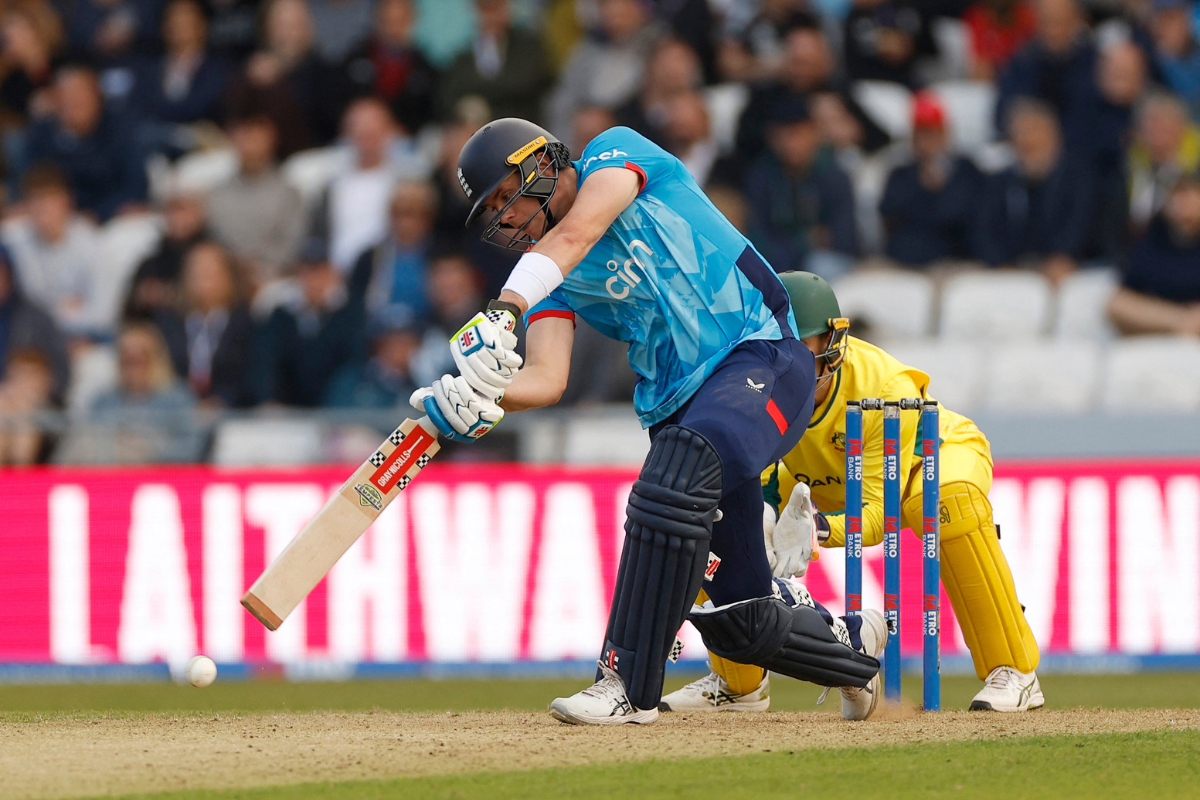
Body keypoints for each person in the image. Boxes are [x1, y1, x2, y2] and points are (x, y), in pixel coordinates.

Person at [413, 118, 886, 725]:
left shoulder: (615, 153)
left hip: (760, 353)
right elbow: (547, 378)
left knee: (673, 474)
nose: (505, 215)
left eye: (507, 193)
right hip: (681, 410)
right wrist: (477, 393)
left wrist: (504, 309)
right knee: (742, 623)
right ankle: (854, 649)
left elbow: (582, 229)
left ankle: (624, 685)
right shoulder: (548, 273)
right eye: (494, 209)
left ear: (541, 161)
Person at [661, 272, 1045, 715]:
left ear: (832, 344)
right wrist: (760, 518)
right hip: (824, 477)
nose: (785, 363)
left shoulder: (884, 389)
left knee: (942, 502)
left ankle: (1014, 671)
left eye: (799, 347)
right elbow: (758, 479)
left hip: (930, 455)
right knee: (716, 516)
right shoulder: (754, 381)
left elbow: (878, 516)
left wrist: (817, 530)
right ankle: (738, 685)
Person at [974, 99, 1094, 284]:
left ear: (1055, 137)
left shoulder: (1078, 179)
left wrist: (1064, 256)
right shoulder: (1001, 181)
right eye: (1020, 134)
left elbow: (1080, 225)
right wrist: (1000, 263)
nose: (1027, 140)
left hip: (1063, 266)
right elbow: (984, 230)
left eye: (1034, 132)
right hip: (1011, 268)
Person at [743, 96, 858, 279]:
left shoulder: (834, 176)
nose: (791, 144)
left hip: (825, 266)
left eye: (798, 134)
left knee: (821, 266)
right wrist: (805, 241)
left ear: (814, 132)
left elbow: (844, 238)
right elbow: (757, 235)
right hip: (776, 263)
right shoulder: (762, 176)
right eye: (783, 135)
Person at [20, 65, 148, 220]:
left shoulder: (120, 130)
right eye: (68, 95)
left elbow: (135, 186)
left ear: (97, 97)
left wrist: (98, 214)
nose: (75, 101)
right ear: (55, 100)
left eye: (81, 94)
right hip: (55, 220)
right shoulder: (42, 133)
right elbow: (29, 179)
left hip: (110, 218)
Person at [254, 239, 366, 406]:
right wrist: (269, 399)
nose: (314, 280)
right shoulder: (282, 316)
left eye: (320, 272)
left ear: (331, 273)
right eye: (308, 272)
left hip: (337, 411)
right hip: (288, 412)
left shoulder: (350, 313)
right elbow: (265, 361)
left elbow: (353, 364)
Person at [879, 92, 985, 266]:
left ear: (945, 133)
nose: (927, 141)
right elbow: (890, 216)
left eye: (933, 133)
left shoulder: (968, 170)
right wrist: (921, 186)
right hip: (907, 263)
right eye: (921, 134)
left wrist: (941, 189)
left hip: (957, 262)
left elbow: (969, 216)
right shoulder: (900, 174)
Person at [206, 112, 306, 288]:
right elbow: (212, 239)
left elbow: (292, 244)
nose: (250, 147)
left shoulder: (288, 193)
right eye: (244, 139)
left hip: (273, 278)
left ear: (271, 142)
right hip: (225, 278)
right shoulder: (216, 193)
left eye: (256, 140)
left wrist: (261, 270)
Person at [2, 164, 102, 337]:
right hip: (28, 332)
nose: (42, 208)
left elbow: (101, 311)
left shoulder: (89, 241)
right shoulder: (12, 237)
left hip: (80, 334)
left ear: (67, 201)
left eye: (49, 199)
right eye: (35, 200)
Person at [153, 241, 255, 407]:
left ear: (227, 275)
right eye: (197, 270)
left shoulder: (246, 324)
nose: (204, 276)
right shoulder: (167, 323)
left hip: (231, 413)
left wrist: (222, 401)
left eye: (211, 270)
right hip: (176, 413)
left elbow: (250, 374)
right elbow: (160, 373)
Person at [1108, 173, 1200, 336]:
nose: (1184, 203)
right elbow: (1117, 303)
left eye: (1191, 195)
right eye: (1177, 195)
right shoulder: (1153, 242)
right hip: (1159, 333)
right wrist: (1181, 319)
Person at [437, 0, 550, 124]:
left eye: (495, 8)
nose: (491, 16)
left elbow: (522, 85)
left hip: (521, 126)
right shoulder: (463, 56)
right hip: (474, 130)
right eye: (485, 9)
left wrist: (482, 106)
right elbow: (448, 96)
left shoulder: (528, 46)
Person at [341, 0, 438, 135]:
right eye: (388, 21)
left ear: (412, 20)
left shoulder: (425, 69)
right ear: (376, 20)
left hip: (408, 141)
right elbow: (338, 105)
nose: (394, 29)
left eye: (400, 21)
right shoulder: (355, 60)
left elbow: (431, 114)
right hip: (359, 137)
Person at [349, 179, 438, 325]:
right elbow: (355, 307)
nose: (403, 222)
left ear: (428, 217)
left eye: (410, 213)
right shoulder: (369, 258)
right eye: (397, 213)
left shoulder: (441, 255)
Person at [124, 190, 209, 319]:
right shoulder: (150, 263)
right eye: (172, 210)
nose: (177, 218)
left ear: (200, 214)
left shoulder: (214, 258)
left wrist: (171, 296)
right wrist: (142, 299)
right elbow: (130, 312)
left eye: (183, 210)